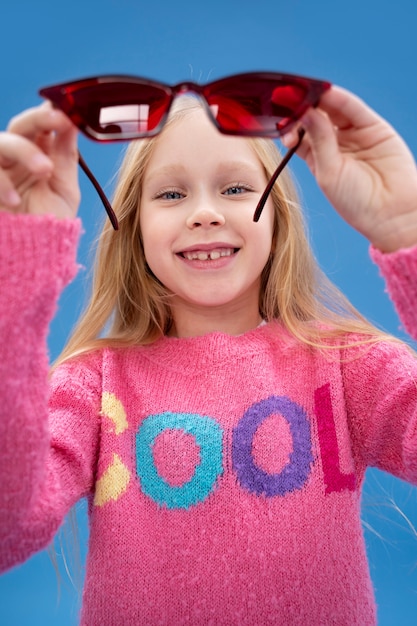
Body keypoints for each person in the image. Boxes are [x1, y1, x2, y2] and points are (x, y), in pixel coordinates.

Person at [0, 77, 417, 626]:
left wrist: (406, 230)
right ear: (133, 228)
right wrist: (17, 284)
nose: (204, 213)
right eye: (171, 194)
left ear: (278, 217)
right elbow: (11, 526)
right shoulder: (91, 385)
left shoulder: (347, 367)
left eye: (237, 189)